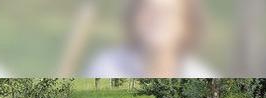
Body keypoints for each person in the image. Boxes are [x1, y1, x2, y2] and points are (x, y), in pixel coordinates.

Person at [84, 0, 215, 77]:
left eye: (169, 13)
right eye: (149, 10)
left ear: (187, 25)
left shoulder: (203, 74)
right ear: (134, 17)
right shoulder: (105, 65)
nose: (158, 19)